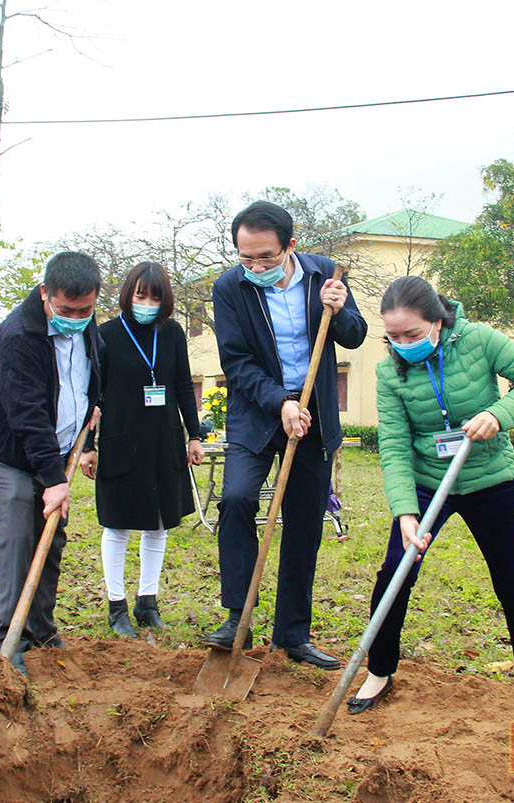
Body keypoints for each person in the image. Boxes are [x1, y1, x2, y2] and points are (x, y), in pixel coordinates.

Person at [347, 275, 514, 714]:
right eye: (393, 336)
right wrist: (406, 512)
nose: (402, 343)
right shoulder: (390, 371)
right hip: (428, 483)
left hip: (487, 477)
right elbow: (393, 443)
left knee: (512, 579)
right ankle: (379, 671)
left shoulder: (479, 340)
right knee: (395, 570)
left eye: (412, 333)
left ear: (438, 323)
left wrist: (498, 415)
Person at [206, 200, 367, 669]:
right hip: (258, 410)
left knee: (302, 522)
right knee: (236, 499)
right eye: (245, 257)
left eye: (266, 258)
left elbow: (355, 336)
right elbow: (236, 361)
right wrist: (280, 402)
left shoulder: (324, 275)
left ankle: (292, 635)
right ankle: (238, 617)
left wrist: (339, 311)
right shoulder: (230, 288)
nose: (254, 266)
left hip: (313, 413)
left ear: (290, 246)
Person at [0, 251, 103, 674]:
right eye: (67, 310)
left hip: (60, 448)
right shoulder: (18, 335)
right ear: (46, 293)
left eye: (86, 310)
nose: (77, 317)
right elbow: (26, 413)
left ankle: (41, 628)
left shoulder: (86, 324)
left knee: (53, 534)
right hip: (8, 451)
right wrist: (52, 479)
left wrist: (88, 437)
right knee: (19, 531)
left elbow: (88, 386)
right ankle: (8, 639)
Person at [78, 262, 205, 636]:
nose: (147, 302)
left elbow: (183, 384)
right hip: (120, 440)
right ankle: (116, 605)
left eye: (155, 296)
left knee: (159, 523)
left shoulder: (172, 333)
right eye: (140, 295)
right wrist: (88, 446)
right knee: (118, 524)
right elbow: (91, 395)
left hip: (165, 441)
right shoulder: (105, 335)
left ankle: (147, 601)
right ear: (128, 294)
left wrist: (193, 436)